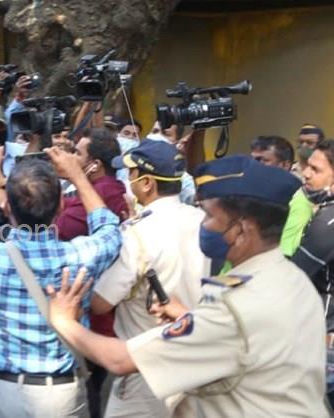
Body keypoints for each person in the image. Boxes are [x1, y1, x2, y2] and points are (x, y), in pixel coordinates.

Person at [48, 155, 327, 417]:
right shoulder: (292, 279)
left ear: (242, 229)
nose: (203, 225)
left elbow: (120, 361)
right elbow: (252, 345)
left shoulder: (233, 306)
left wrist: (63, 320)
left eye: (209, 216)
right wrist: (189, 318)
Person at [0, 144, 122, 418]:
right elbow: (109, 228)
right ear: (61, 204)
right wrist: (78, 177)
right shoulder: (82, 255)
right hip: (62, 395)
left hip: (3, 392)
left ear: (7, 207)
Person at [92, 140, 209, 418]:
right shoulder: (203, 219)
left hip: (146, 367)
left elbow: (100, 303)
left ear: (147, 183)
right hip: (196, 359)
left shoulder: (136, 233)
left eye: (131, 173)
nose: (128, 179)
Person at [292, 138, 334, 407]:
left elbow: (294, 274)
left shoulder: (328, 221)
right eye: (307, 166)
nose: (306, 173)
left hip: (326, 334)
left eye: (316, 169)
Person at [56, 128, 128, 239]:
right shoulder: (107, 186)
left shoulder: (101, 192)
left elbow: (58, 231)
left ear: (95, 165)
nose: (71, 157)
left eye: (77, 153)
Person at [249, 135, 313, 257]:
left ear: (285, 165)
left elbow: (286, 251)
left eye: (263, 160)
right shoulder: (246, 192)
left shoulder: (299, 199)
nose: (254, 165)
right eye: (253, 159)